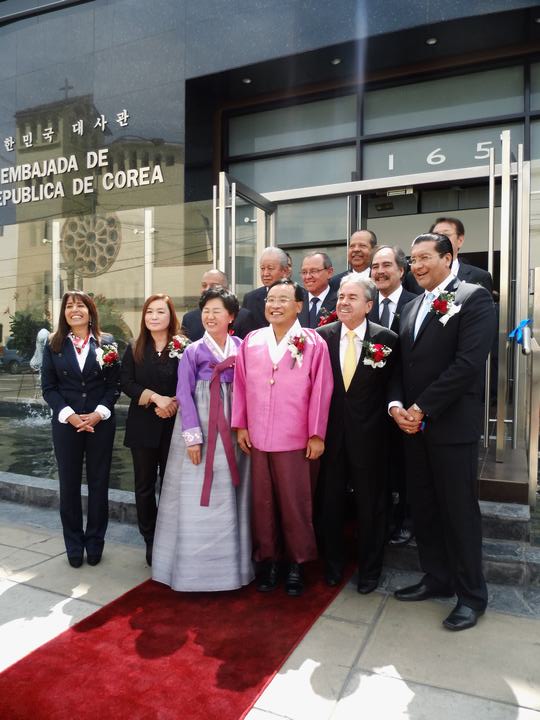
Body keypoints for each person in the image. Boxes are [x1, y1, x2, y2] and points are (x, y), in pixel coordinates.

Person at [389, 233, 496, 631]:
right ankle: (437, 577)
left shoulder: (473, 297)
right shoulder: (411, 305)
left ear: (448, 258)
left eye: (424, 258)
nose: (416, 266)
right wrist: (397, 406)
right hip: (413, 428)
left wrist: (422, 407)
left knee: (459, 511)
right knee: (425, 507)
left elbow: (468, 364)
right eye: (413, 260)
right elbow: (401, 365)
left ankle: (471, 596)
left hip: (451, 426)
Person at [232, 279, 333, 596]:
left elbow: (322, 390)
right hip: (258, 437)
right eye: (271, 299)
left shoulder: (313, 342)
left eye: (283, 299)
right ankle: (269, 560)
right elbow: (240, 385)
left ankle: (296, 563)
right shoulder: (252, 340)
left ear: (299, 305)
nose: (275, 305)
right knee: (262, 503)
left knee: (295, 503)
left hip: (296, 439)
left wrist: (316, 434)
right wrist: (241, 425)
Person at [152, 287, 253, 592]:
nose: (210, 316)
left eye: (217, 311)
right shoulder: (193, 351)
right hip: (203, 426)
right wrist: (192, 437)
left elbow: (250, 388)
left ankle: (232, 568)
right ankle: (194, 570)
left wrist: (245, 425)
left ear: (231, 316)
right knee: (197, 492)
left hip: (233, 426)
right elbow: (183, 393)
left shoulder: (242, 348)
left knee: (232, 491)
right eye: (206, 311)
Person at [317, 274, 398, 593]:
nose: (344, 302)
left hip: (371, 437)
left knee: (371, 505)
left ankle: (370, 571)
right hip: (330, 436)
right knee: (330, 503)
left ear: (368, 305)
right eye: (341, 297)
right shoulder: (321, 337)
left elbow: (393, 384)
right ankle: (332, 565)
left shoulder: (386, 338)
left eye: (352, 297)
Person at [41, 291, 121, 568]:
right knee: (69, 485)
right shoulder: (53, 344)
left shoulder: (107, 342)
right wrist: (70, 416)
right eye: (69, 306)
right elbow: (48, 388)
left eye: (80, 305)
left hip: (100, 423)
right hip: (67, 425)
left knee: (99, 484)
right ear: (64, 313)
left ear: (90, 311)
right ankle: (74, 545)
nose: (75, 310)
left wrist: (99, 414)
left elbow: (114, 386)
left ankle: (95, 542)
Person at [121, 294, 185, 566]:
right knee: (144, 486)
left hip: (174, 425)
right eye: (149, 312)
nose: (154, 317)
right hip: (143, 426)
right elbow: (126, 383)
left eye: (160, 312)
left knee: (173, 485)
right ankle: (150, 538)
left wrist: (173, 403)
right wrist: (156, 398)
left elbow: (191, 382)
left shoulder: (183, 346)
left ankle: (173, 538)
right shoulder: (134, 347)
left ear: (171, 316)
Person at [368, 245, 417, 546]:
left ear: (401, 270)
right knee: (378, 465)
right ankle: (382, 519)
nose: (380, 271)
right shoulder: (365, 303)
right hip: (371, 402)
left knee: (406, 464)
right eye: (375, 266)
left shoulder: (416, 304)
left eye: (386, 265)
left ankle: (406, 519)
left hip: (406, 402)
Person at [405, 217, 493, 294]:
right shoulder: (412, 277)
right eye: (436, 235)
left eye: (446, 235)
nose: (441, 239)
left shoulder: (479, 276)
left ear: (460, 240)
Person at [181, 269, 256, 340]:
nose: (207, 289)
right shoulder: (189, 318)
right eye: (204, 285)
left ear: (226, 289)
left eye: (213, 285)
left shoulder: (243, 316)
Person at [241, 247, 289, 329]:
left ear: (284, 271)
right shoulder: (250, 299)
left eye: (270, 268)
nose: (265, 273)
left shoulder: (299, 295)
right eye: (262, 269)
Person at [298, 251, 337, 328]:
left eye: (313, 271)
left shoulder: (340, 302)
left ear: (329, 272)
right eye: (304, 272)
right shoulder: (296, 302)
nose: (308, 277)